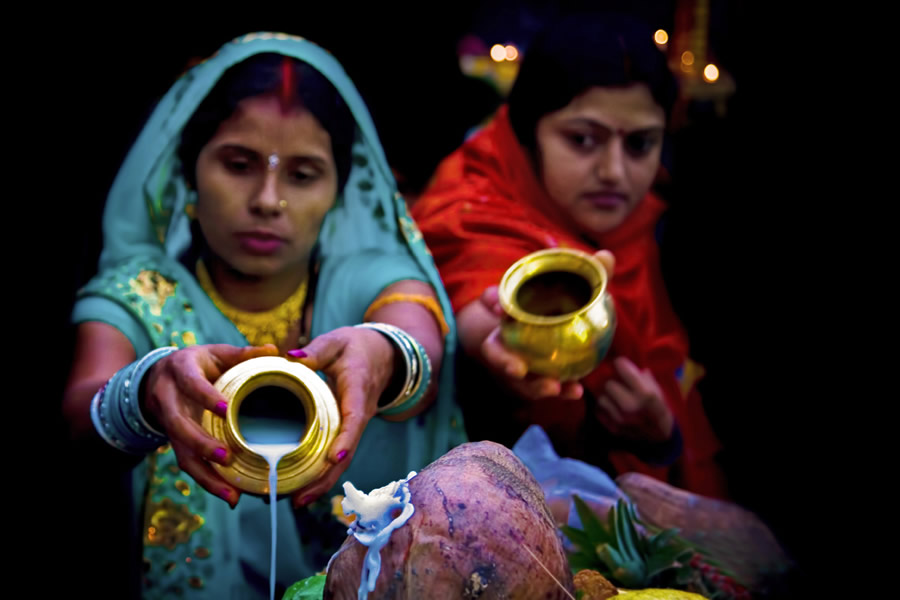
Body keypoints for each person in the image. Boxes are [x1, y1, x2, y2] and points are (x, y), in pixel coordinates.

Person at [63, 33, 465, 598]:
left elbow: (417, 342)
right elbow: (80, 412)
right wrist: (145, 388)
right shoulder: (142, 296)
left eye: (303, 175)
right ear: (188, 174)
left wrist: (383, 354)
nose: (268, 199)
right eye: (238, 163)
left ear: (339, 191)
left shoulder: (366, 279)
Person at [411, 14, 727, 499]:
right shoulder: (474, 203)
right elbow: (479, 289)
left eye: (640, 143)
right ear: (526, 130)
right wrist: (504, 341)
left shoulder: (654, 224)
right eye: (582, 139)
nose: (614, 171)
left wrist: (663, 439)